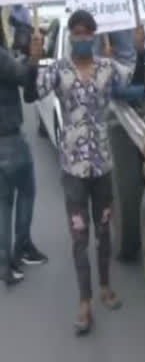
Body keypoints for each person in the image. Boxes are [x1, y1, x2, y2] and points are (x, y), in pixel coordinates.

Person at [36, 10, 145, 333]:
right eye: (77, 33)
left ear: (94, 37)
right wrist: (33, 57)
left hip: (102, 166)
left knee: (104, 230)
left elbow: (135, 81)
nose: (82, 38)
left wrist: (139, 50)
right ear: (70, 36)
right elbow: (33, 91)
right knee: (79, 237)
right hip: (72, 170)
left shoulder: (107, 69)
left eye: (87, 33)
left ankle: (106, 287)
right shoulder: (57, 71)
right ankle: (85, 302)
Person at [0, 22, 43, 287]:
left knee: (4, 201)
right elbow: (22, 75)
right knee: (25, 192)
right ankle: (19, 249)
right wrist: (33, 57)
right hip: (9, 139)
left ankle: (8, 259)